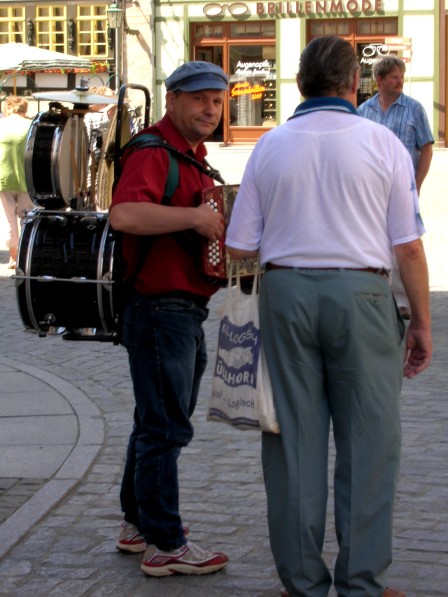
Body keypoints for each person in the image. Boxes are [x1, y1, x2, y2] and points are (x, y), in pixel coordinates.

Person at [225, 36, 432, 597]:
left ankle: (303, 583)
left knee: (292, 443)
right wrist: (421, 322)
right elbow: (408, 247)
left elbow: (240, 243)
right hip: (363, 297)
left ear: (299, 85)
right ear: (352, 85)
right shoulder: (383, 143)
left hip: (287, 294)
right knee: (370, 444)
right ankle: (362, 581)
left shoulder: (269, 145)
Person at [109, 61, 229, 578]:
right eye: (200, 99)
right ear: (172, 99)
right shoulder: (153, 151)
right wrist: (195, 219)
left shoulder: (192, 158)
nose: (211, 109)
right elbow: (124, 215)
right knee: (164, 427)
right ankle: (166, 543)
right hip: (160, 308)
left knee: (151, 421)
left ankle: (138, 525)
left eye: (218, 101)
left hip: (181, 309)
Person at [358, 56, 434, 319]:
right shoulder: (364, 111)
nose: (400, 80)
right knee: (377, 239)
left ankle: (403, 301)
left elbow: (426, 148)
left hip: (404, 188)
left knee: (406, 242)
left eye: (401, 76)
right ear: (379, 80)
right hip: (372, 190)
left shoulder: (414, 109)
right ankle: (380, 293)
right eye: (394, 77)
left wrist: (418, 183)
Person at [0, 96, 35, 269]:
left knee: (9, 220)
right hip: (27, 177)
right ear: (24, 108)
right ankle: (24, 256)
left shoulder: (1, 125)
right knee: (26, 216)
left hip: (4, 177)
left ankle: (13, 257)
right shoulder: (31, 125)